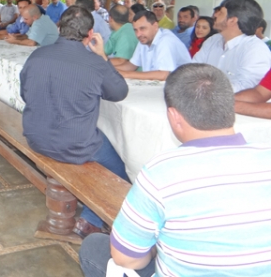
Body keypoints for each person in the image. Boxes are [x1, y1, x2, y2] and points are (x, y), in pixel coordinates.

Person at [79, 63, 271, 277]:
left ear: (174, 116)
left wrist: (153, 251)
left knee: (94, 248)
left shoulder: (161, 172)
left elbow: (125, 258)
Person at [21, 6, 129, 238]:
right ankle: (90, 220)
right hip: (75, 144)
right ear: (90, 34)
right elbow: (119, 92)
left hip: (35, 137)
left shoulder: (37, 55)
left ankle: (90, 215)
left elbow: (25, 93)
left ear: (59, 27)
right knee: (120, 171)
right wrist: (103, 56)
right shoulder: (95, 63)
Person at [193, 0, 271, 93]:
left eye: (220, 13)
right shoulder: (213, 40)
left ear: (232, 20)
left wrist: (206, 90)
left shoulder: (256, 50)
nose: (215, 15)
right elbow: (193, 69)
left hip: (233, 106)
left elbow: (247, 88)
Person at [114, 11, 191, 81]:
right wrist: (110, 70)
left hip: (182, 89)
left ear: (155, 26)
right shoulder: (144, 39)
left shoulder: (165, 41)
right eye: (135, 30)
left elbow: (163, 75)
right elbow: (132, 65)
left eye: (142, 28)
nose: (138, 34)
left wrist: (125, 74)